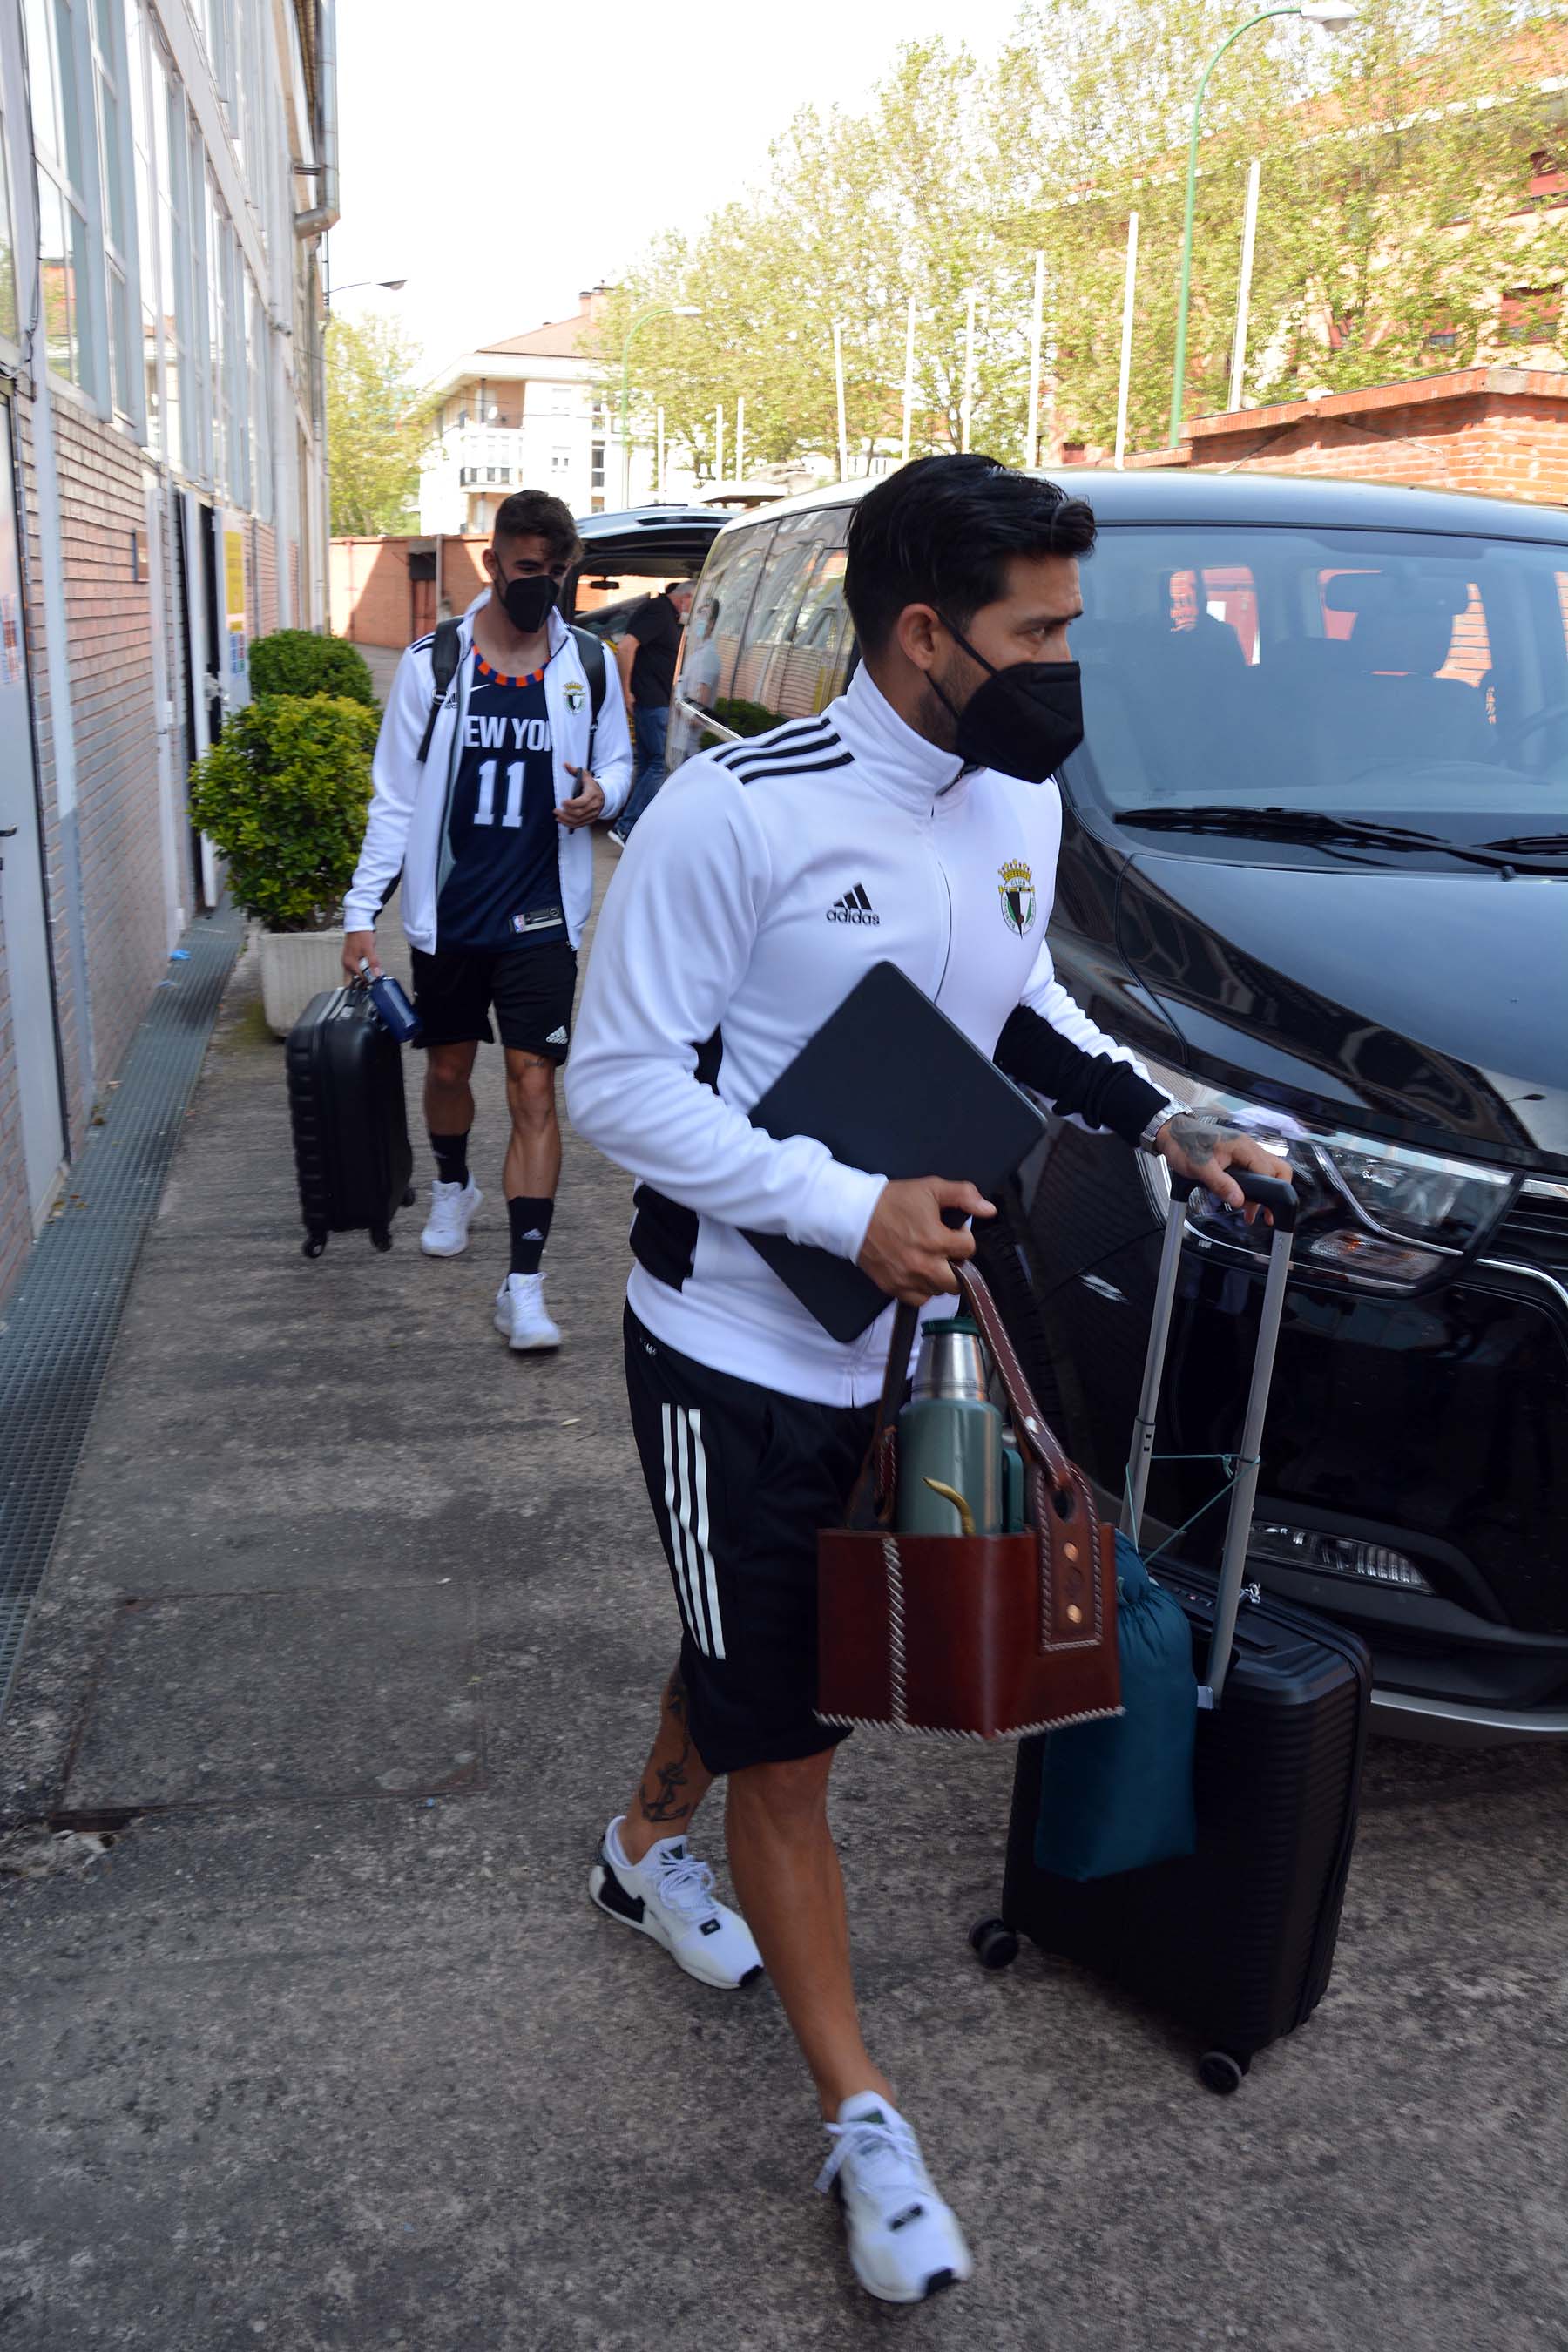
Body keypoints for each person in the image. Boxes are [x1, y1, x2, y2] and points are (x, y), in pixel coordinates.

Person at [565, 454, 1290, 2304]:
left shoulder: (1010, 806)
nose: (1067, 665)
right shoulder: (733, 813)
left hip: (902, 1332)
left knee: (756, 1638)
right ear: (919, 632)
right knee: (795, 1750)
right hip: (732, 1342)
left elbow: (1017, 1007)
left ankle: (642, 1843)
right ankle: (868, 2124)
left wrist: (1168, 1117)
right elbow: (619, 1088)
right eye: (1037, 631)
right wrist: (840, 1202)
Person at [343, 488, 632, 1352]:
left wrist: (600, 795)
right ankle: (452, 1183)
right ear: (495, 564)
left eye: (551, 571)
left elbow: (619, 763)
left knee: (535, 1086)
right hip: (451, 913)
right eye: (523, 568)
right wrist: (364, 913)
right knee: (447, 1070)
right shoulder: (436, 665)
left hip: (543, 914)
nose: (536, 584)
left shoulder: (584, 663)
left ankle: (525, 1284)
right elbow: (394, 799)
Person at [609, 577, 693, 845]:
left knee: (648, 764)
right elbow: (625, 647)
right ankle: (627, 826)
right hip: (652, 701)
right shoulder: (659, 611)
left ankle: (635, 830)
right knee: (660, 763)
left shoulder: (665, 614)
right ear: (686, 598)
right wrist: (626, 691)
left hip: (655, 700)